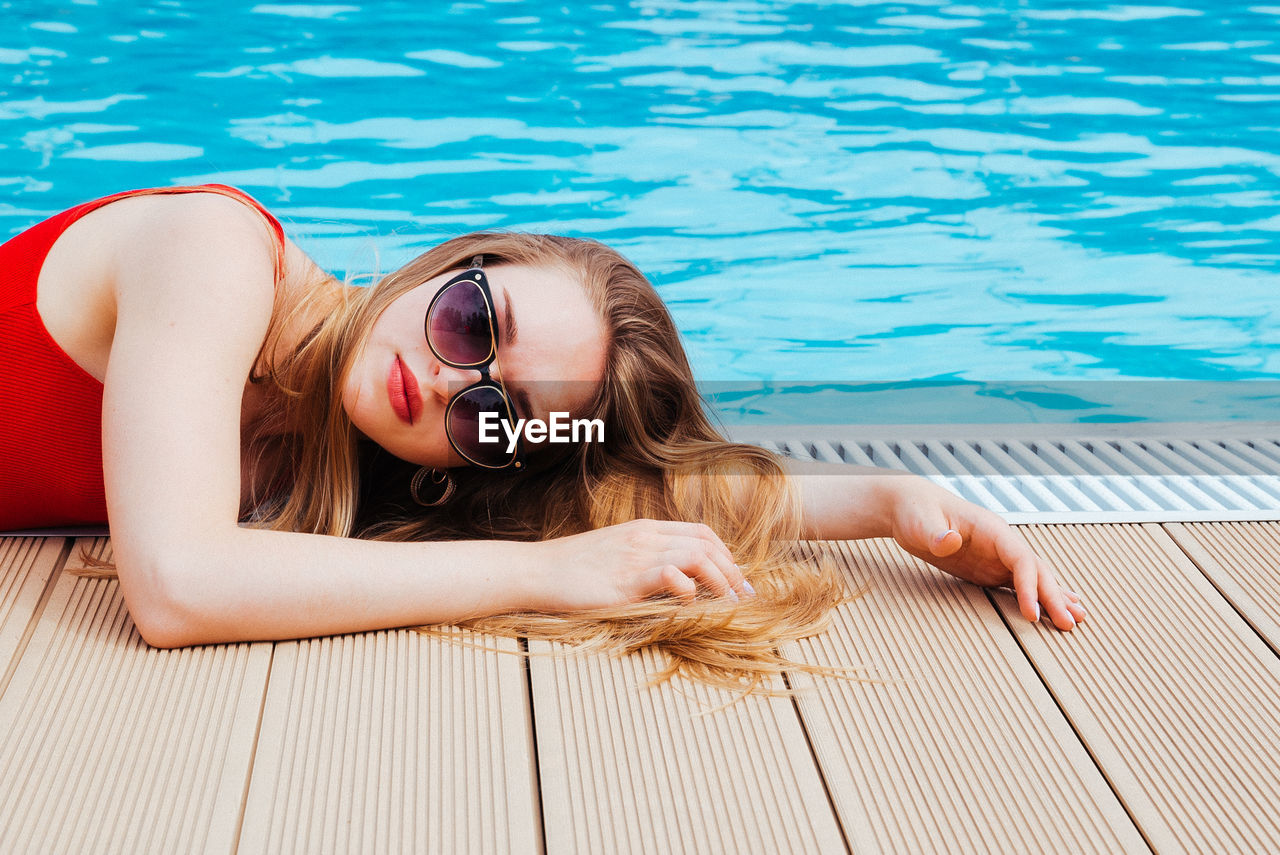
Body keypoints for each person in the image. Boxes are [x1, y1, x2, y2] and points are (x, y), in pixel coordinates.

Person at [0, 184, 1085, 692]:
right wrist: (547, 573)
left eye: (493, 415)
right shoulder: (211, 248)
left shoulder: (351, 445)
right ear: (453, 260)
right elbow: (178, 586)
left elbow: (608, 490)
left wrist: (887, 507)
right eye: (473, 322)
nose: (441, 381)